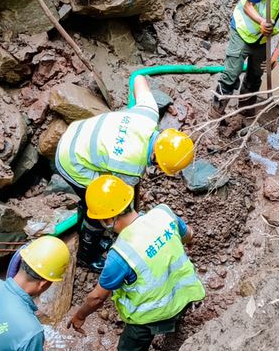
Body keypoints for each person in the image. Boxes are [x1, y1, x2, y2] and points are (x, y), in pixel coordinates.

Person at [67, 175, 205, 351]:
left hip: (150, 315)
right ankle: (174, 327)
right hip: (186, 294)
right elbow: (189, 236)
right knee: (174, 311)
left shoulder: (120, 254)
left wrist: (79, 316)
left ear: (108, 219)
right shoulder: (163, 213)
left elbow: (96, 298)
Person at [55, 74, 195, 272]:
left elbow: (138, 79)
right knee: (102, 206)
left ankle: (90, 222)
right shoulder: (130, 166)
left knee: (105, 205)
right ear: (156, 157)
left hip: (78, 133)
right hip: (72, 161)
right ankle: (87, 255)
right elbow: (118, 202)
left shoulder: (148, 113)